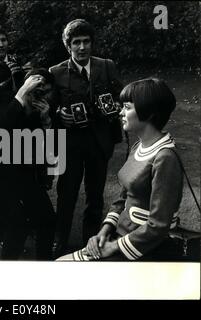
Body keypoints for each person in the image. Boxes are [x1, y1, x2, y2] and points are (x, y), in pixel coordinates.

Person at [57, 78, 183, 261]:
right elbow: (123, 197)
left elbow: (158, 225)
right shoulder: (139, 146)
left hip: (144, 246)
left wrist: (113, 247)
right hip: (119, 235)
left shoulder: (165, 158)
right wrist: (104, 231)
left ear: (148, 114)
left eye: (127, 107)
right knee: (60, 264)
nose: (120, 112)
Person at [49, 19, 124, 256]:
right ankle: (59, 239)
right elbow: (48, 108)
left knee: (95, 195)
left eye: (86, 41)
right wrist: (60, 114)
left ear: (92, 43)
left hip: (99, 142)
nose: (82, 47)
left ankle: (89, 243)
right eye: (76, 43)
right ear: (68, 46)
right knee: (67, 194)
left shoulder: (106, 66)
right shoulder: (56, 72)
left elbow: (120, 96)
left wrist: (113, 107)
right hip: (70, 144)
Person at [0, 68, 57, 260]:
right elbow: (1, 130)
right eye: (35, 90)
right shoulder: (6, 100)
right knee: (17, 227)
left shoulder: (44, 112)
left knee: (48, 220)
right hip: (2, 179)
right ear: (25, 88)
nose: (39, 96)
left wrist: (47, 123)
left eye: (44, 91)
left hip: (28, 179)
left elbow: (51, 155)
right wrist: (21, 95)